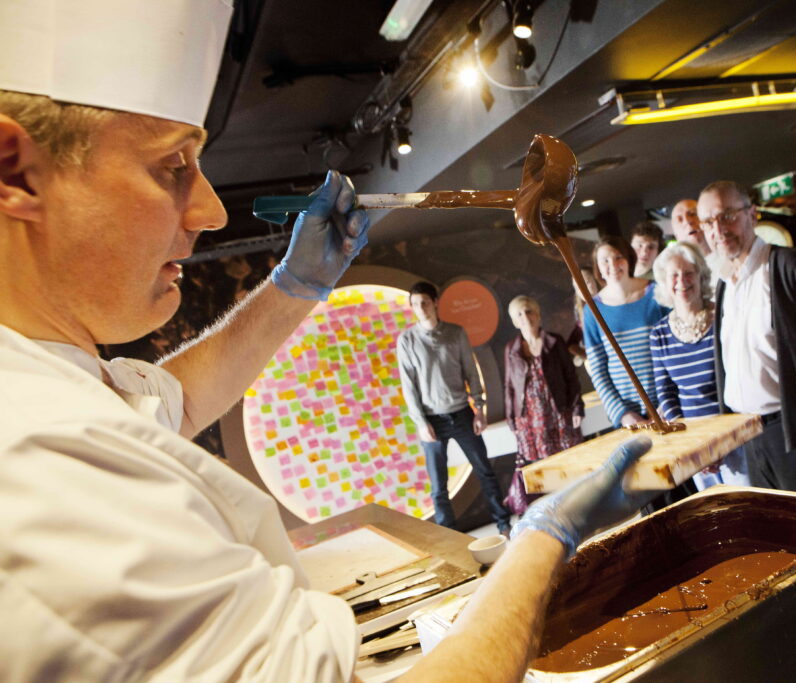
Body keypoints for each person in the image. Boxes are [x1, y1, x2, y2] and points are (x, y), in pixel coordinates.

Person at [0, 4, 656, 680]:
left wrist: (297, 283)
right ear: (14, 172)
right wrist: (543, 541)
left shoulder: (45, 376)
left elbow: (177, 400)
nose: (211, 211)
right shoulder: (41, 463)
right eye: (172, 166)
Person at [698, 181, 796, 496]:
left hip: (794, 433)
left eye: (726, 216)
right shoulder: (723, 285)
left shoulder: (788, 267)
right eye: (708, 222)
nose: (717, 229)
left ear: (752, 214)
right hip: (748, 438)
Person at [397, 282, 511, 535]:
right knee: (438, 486)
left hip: (462, 414)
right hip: (430, 420)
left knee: (486, 472)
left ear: (436, 302)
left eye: (424, 302)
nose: (420, 308)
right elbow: (408, 385)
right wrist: (420, 422)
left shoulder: (456, 333)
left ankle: (504, 524)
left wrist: (479, 409)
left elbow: (471, 372)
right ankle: (449, 539)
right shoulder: (406, 340)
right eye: (415, 304)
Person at [650, 243, 748, 489]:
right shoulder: (659, 334)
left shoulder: (723, 318)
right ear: (664, 281)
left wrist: (723, 443)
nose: (681, 281)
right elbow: (666, 394)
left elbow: (739, 378)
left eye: (688, 273)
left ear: (701, 276)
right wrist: (693, 445)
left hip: (736, 439)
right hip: (694, 445)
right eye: (674, 274)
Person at [502, 295, 584, 514]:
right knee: (539, 467)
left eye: (529, 311)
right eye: (519, 313)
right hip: (529, 419)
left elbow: (571, 377)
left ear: (538, 315)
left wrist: (577, 407)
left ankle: (575, 506)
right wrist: (511, 419)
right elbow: (509, 386)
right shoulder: (512, 349)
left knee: (567, 461)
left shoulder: (554, 342)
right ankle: (551, 511)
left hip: (558, 413)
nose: (525, 317)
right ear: (514, 321)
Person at [584, 236, 669, 427]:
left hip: (668, 405)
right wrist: (622, 414)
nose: (612, 264)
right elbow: (598, 371)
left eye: (618, 257)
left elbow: (674, 350)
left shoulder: (656, 293)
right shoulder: (592, 311)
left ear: (629, 259)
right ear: (598, 268)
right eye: (604, 260)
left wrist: (669, 401)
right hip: (630, 416)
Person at [671, 197, 722, 279]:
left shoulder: (731, 257)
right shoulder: (680, 277)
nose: (688, 221)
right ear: (676, 236)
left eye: (692, 214)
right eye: (680, 219)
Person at [566, 265, 598, 366]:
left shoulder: (611, 302)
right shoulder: (583, 315)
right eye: (579, 286)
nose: (584, 289)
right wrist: (588, 357)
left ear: (595, 280)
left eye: (587, 282)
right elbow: (571, 345)